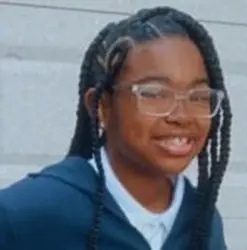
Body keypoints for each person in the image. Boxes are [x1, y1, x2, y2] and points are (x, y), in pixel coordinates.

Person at [0, 6, 232, 250]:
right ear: (101, 106)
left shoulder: (202, 221)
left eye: (198, 96)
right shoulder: (25, 214)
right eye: (154, 93)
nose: (182, 116)